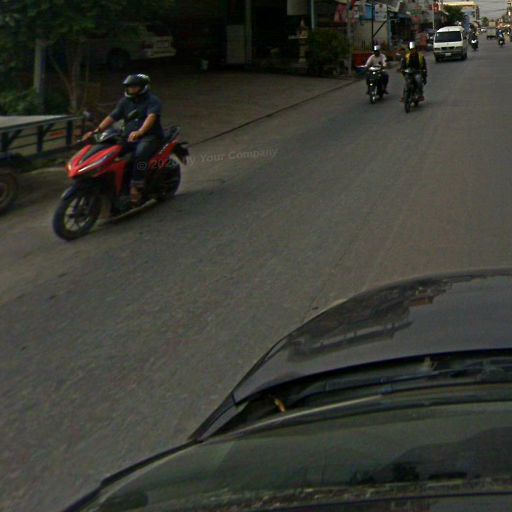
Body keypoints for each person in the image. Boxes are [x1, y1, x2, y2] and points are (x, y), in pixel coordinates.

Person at [82, 74, 164, 204]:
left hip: (149, 136)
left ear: (143, 87)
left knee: (140, 154)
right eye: (129, 87)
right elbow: (112, 117)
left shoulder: (152, 100)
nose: (131, 89)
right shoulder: (125, 101)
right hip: (128, 136)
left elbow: (151, 117)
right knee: (111, 151)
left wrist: (140, 131)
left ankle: (137, 185)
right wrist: (96, 131)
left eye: (134, 87)